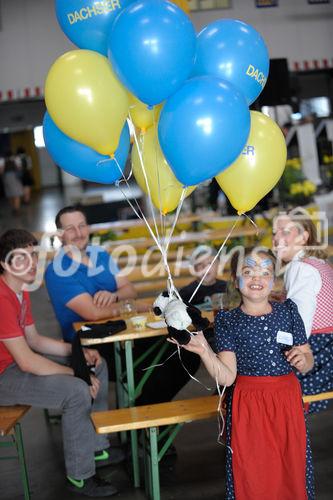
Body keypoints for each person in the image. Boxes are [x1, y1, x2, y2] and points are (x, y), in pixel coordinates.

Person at [170, 248, 315, 500]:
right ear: (235, 280)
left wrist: (304, 360)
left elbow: (307, 358)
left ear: (274, 279)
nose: (256, 279)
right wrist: (205, 351)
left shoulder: (289, 311)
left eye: (265, 272)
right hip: (249, 406)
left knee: (290, 467)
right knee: (253, 471)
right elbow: (226, 377)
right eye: (247, 272)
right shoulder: (228, 320)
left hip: (286, 402)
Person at [0, 229, 123, 497]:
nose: (31, 263)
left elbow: (34, 341)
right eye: (21, 258)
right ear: (5, 264)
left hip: (15, 364)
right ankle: (81, 476)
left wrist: (77, 353)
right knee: (77, 391)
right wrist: (76, 373)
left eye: (33, 255)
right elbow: (27, 361)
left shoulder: (20, 291)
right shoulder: (2, 297)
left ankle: (96, 447)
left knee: (96, 362)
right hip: (3, 377)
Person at [46, 206, 200, 405]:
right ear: (60, 235)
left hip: (124, 331)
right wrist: (131, 307)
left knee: (186, 350)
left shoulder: (99, 254)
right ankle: (142, 416)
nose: (78, 233)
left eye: (82, 226)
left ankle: (145, 411)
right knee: (171, 357)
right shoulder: (57, 271)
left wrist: (114, 295)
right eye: (70, 228)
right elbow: (92, 313)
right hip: (93, 345)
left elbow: (129, 290)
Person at [273, 207, 333, 413]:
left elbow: (301, 322)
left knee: (260, 380)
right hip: (327, 347)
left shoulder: (300, 268)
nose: (276, 238)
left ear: (304, 236)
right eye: (275, 233)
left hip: (318, 350)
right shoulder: (318, 262)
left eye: (285, 231)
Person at [179, 245, 227, 311]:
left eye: (210, 263)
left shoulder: (227, 287)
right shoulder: (186, 293)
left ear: (218, 265)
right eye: (200, 264)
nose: (205, 267)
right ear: (194, 267)